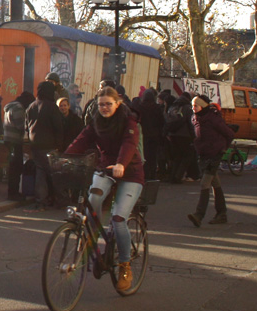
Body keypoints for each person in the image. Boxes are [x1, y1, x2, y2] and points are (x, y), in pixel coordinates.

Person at [64, 86, 145, 292]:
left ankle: (125, 266)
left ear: (118, 104)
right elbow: (82, 139)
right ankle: (92, 237)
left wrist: (121, 164)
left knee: (118, 219)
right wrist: (65, 157)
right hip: (106, 170)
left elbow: (129, 143)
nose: (105, 108)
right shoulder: (96, 121)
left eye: (109, 104)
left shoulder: (129, 121)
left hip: (129, 172)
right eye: (101, 104)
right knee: (93, 200)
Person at [187, 96, 235, 227]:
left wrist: (223, 149)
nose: (193, 108)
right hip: (204, 154)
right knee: (215, 183)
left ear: (202, 106)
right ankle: (222, 213)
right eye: (192, 106)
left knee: (204, 184)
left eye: (195, 106)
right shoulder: (195, 118)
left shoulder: (213, 118)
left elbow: (229, 134)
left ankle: (199, 214)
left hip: (215, 154)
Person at [25, 80, 64, 208]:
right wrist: (60, 144)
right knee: (54, 173)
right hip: (49, 145)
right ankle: (60, 200)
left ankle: (41, 200)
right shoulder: (52, 107)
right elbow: (58, 127)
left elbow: (26, 126)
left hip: (35, 144)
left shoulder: (31, 106)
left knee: (40, 173)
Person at [3, 90, 35, 200]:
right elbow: (21, 125)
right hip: (15, 140)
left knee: (13, 167)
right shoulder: (18, 108)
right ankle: (13, 193)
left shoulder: (11, 106)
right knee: (16, 168)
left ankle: (13, 192)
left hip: (9, 139)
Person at [132, 88, 165, 181]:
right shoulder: (157, 107)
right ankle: (152, 174)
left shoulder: (140, 107)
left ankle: (144, 174)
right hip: (154, 135)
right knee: (153, 156)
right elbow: (162, 122)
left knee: (144, 155)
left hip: (143, 134)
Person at [164, 93, 197, 182]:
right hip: (184, 135)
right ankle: (178, 176)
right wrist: (193, 136)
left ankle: (172, 176)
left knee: (176, 157)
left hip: (172, 134)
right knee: (187, 156)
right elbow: (191, 123)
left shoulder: (173, 107)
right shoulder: (187, 108)